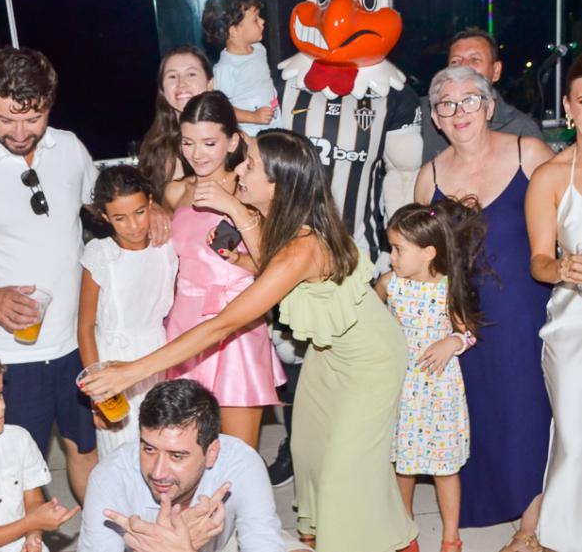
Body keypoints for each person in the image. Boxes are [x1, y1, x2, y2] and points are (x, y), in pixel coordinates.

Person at [81, 128, 419, 552]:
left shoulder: (304, 246)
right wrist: (229, 212)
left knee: (341, 475)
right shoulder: (282, 220)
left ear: (277, 183)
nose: (239, 168)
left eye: (251, 164)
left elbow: (224, 324)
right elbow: (268, 260)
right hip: (327, 352)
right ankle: (355, 538)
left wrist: (132, 371)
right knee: (309, 455)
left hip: (369, 358)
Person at [0, 46, 169, 504]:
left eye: (33, 118)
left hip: (76, 344)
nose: (20, 133)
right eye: (5, 118)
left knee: (86, 449)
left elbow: (103, 205)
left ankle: (101, 533)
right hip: (5, 356)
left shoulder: (69, 148)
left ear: (49, 106)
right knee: (14, 471)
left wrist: (152, 210)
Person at [414, 66, 554, 549]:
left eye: (470, 100)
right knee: (478, 413)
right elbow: (425, 258)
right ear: (436, 118)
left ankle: (531, 529)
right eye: (446, 104)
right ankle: (493, 503)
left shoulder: (528, 153)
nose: (459, 112)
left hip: (525, 309)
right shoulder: (429, 177)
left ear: (490, 107)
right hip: (462, 319)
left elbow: (568, 212)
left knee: (528, 412)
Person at [163, 91, 284, 449]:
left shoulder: (250, 189)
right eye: (188, 142)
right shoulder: (175, 192)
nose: (196, 153)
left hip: (237, 327)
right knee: (185, 450)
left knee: (238, 454)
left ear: (232, 141)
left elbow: (272, 266)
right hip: (184, 324)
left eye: (209, 143)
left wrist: (233, 206)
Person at [78, 378, 308, 552]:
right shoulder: (109, 477)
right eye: (149, 449)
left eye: (177, 456)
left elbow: (262, 542)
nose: (157, 472)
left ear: (211, 453)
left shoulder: (242, 462)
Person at [376, 198, 486, 552]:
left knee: (445, 467)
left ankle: (451, 537)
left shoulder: (448, 287)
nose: (391, 257)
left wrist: (452, 341)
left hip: (439, 390)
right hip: (401, 386)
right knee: (403, 465)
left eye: (398, 249)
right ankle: (405, 531)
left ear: (428, 252)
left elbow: (468, 331)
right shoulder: (390, 284)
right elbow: (372, 320)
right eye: (391, 248)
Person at [78, 165, 178, 458]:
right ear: (105, 217)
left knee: (161, 446)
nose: (133, 226)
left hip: (157, 355)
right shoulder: (100, 254)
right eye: (120, 218)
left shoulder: (166, 247)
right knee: (120, 452)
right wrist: (98, 394)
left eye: (139, 212)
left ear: (151, 204)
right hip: (111, 359)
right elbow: (85, 327)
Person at [527, 54, 582, 552]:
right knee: (576, 442)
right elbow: (539, 261)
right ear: (568, 107)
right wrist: (561, 269)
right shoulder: (551, 176)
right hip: (572, 327)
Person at [0, 345, 80, 552]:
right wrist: (32, 523)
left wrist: (33, 536)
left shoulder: (18, 438)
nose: (1, 405)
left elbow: (33, 499)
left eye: (0, 394)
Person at [421, 27, 543, 163]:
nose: (464, 67)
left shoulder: (521, 130)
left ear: (496, 71)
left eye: (475, 60)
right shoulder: (424, 114)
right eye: (455, 61)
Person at [138, 45, 214, 204]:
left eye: (191, 74)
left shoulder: (231, 139)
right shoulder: (154, 146)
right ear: (162, 89)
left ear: (210, 84)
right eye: (172, 76)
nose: (181, 84)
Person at [202, 0, 282, 137]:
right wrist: (253, 117)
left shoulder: (259, 49)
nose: (262, 21)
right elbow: (222, 109)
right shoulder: (226, 68)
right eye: (256, 19)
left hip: (274, 124)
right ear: (234, 31)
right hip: (250, 134)